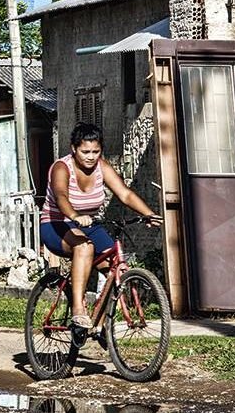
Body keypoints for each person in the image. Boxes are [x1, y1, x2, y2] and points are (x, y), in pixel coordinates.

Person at [39, 122, 161, 330]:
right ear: (74, 149)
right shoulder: (62, 167)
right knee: (84, 247)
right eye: (85, 151)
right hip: (56, 224)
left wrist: (148, 213)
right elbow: (61, 197)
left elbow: (125, 194)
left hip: (88, 224)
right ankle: (78, 309)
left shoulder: (101, 167)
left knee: (117, 269)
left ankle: (101, 325)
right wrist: (75, 215)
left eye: (96, 151)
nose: (90, 156)